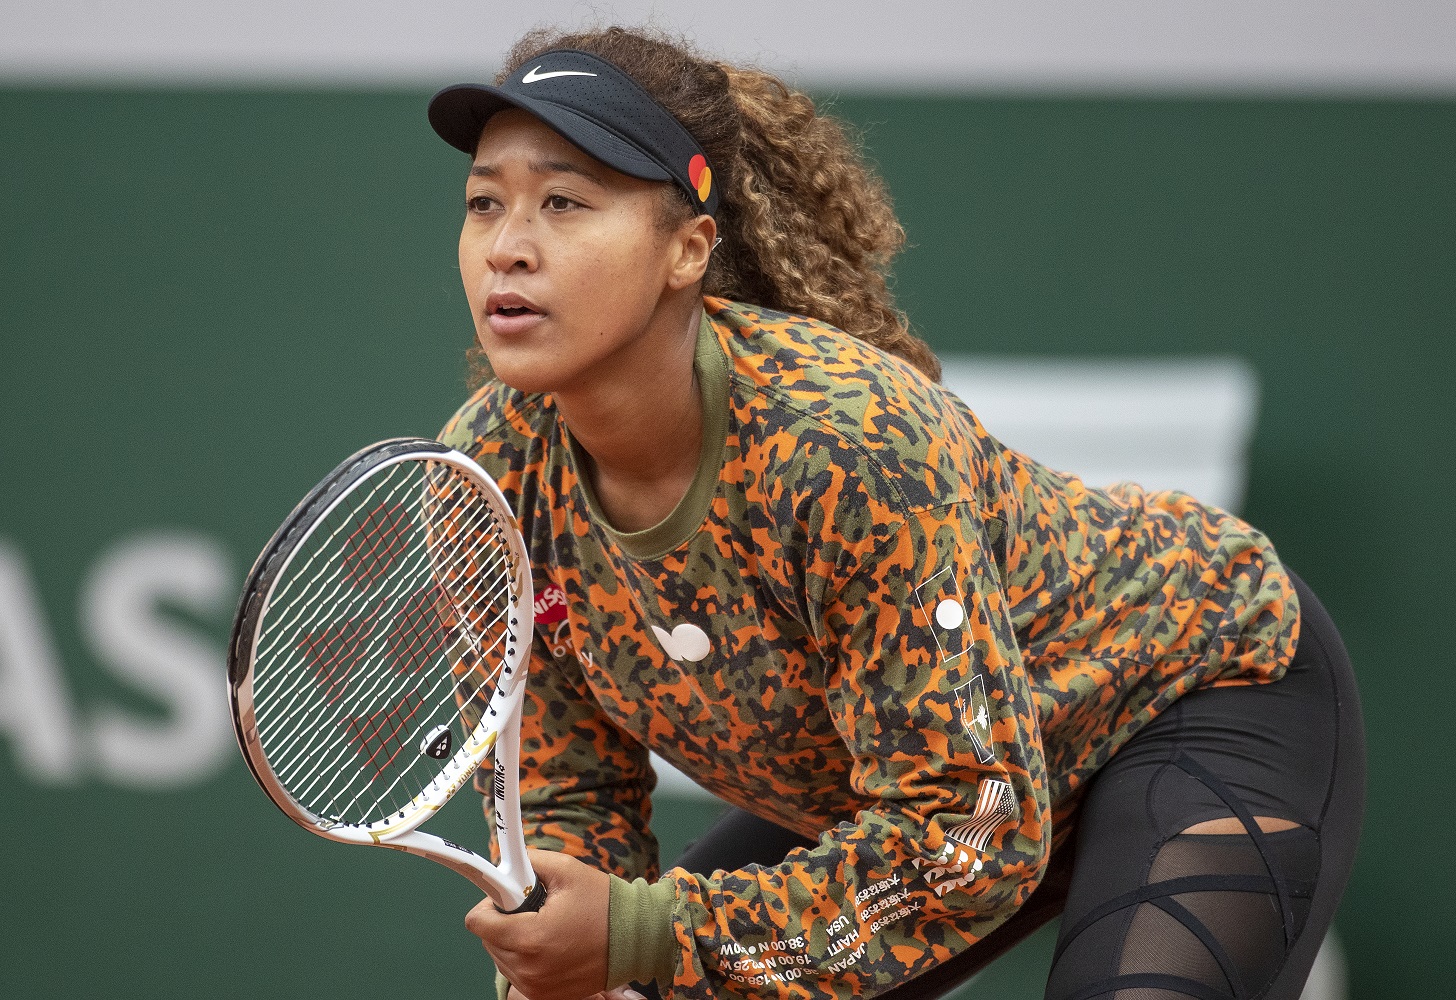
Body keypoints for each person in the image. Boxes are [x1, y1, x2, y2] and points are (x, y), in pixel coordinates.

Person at [426, 25, 1365, 1000]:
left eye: (564, 202)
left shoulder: (846, 441)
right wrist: (574, 949)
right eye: (484, 202)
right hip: (909, 782)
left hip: (1189, 692)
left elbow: (969, 832)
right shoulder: (485, 488)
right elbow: (568, 796)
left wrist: (644, 934)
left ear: (688, 248)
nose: (508, 247)